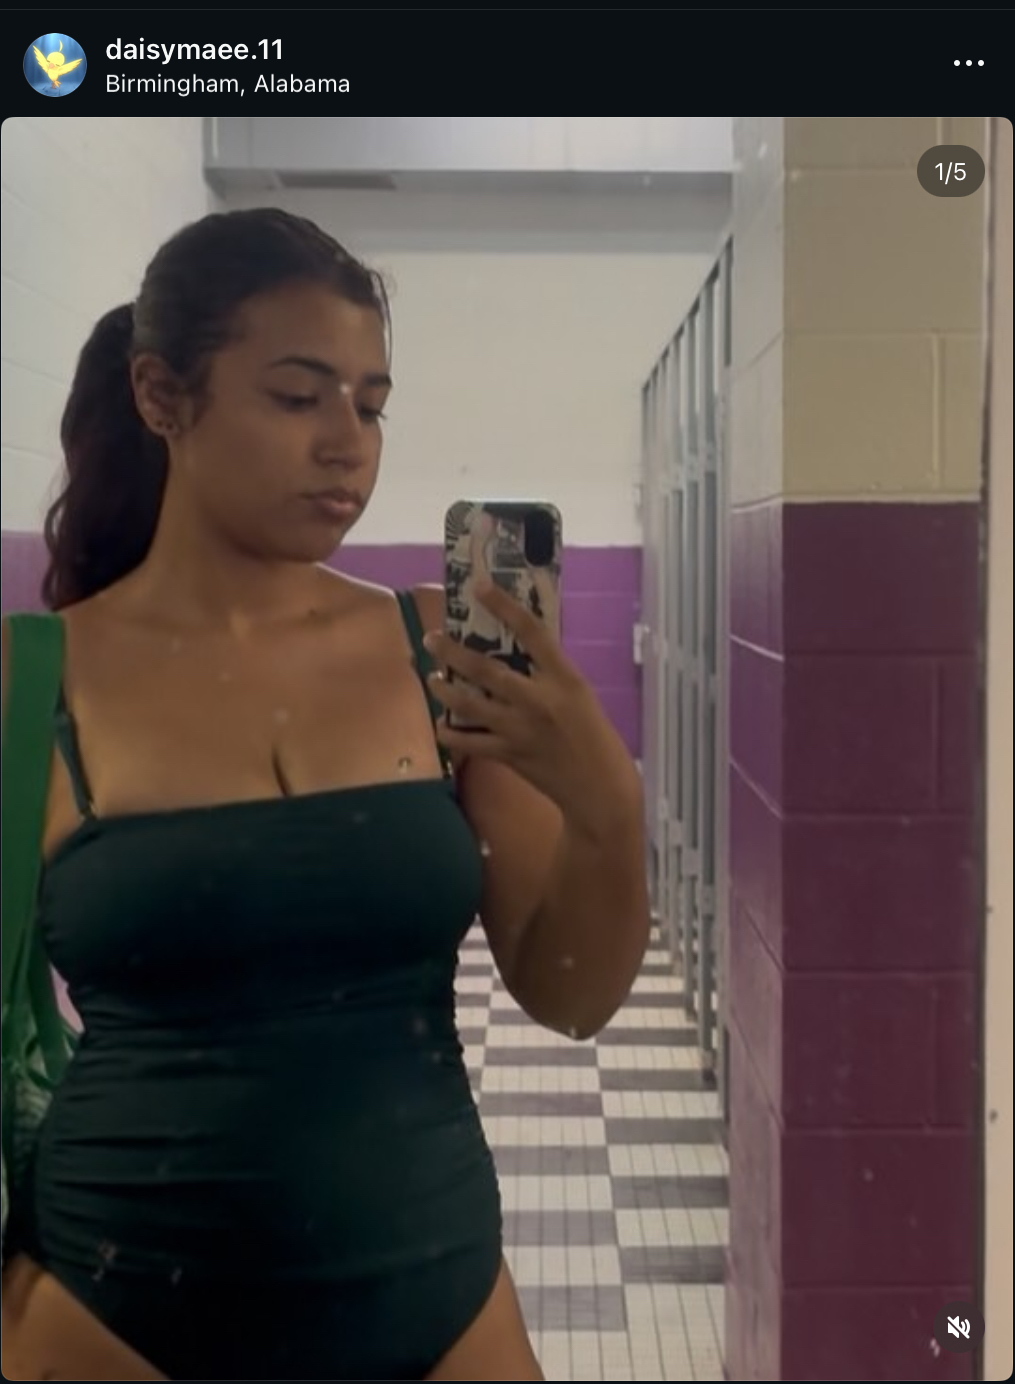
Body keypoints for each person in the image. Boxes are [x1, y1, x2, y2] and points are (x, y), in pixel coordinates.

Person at [0, 208, 651, 1381]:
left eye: (372, 403)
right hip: (110, 1318)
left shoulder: (441, 651)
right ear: (160, 395)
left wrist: (604, 800)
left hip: (442, 1306)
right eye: (298, 397)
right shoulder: (32, 680)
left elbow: (571, 996)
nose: (348, 443)